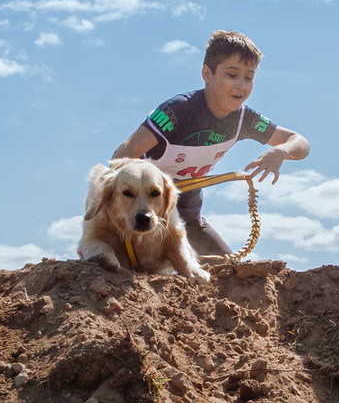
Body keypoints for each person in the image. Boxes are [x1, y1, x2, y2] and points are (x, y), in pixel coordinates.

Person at [110, 30, 311, 263]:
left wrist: (281, 151)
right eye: (232, 75)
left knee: (231, 271)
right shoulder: (177, 111)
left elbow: (300, 142)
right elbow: (122, 155)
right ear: (207, 74)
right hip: (144, 218)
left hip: (189, 220)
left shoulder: (244, 119)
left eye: (249, 77)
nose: (241, 85)